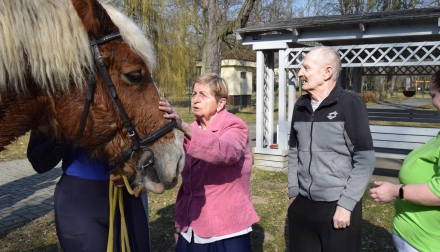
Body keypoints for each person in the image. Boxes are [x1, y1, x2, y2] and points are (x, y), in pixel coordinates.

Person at [287, 46, 376, 252]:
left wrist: (346, 204)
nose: (300, 73)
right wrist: (293, 192)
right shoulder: (300, 105)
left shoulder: (350, 104)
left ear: (327, 72)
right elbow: (293, 152)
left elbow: (365, 159)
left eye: (306, 68)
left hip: (337, 205)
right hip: (302, 203)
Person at [158, 73, 259, 252]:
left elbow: (225, 152)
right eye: (194, 94)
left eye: (203, 95)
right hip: (192, 228)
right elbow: (186, 187)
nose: (195, 100)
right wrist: (179, 224)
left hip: (227, 231)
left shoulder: (235, 126)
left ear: (221, 103)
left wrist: (183, 126)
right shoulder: (193, 129)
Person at [27, 131, 150, 252]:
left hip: (128, 198)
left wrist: (138, 173)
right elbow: (39, 162)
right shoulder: (53, 111)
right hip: (79, 203)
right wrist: (67, 127)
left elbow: (155, 141)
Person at [369, 69, 440, 252]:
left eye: (433, 95)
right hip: (415, 239)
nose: (432, 102)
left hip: (428, 244)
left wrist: (396, 191)